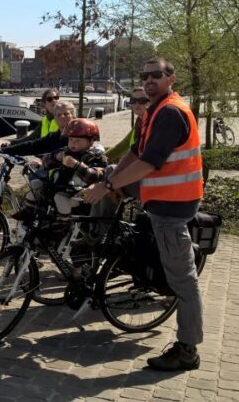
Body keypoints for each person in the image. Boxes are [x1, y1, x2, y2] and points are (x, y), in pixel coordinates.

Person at [86, 58, 203, 371]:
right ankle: (101, 238)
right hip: (159, 196)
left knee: (184, 280)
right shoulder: (153, 111)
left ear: (170, 78)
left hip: (172, 205)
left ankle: (187, 350)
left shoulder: (170, 113)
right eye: (144, 75)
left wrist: (109, 184)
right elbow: (135, 152)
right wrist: (109, 179)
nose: (149, 80)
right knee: (109, 173)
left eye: (156, 75)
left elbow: (149, 163)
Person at [105, 88, 149, 163]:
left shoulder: (150, 122)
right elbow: (123, 145)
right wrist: (103, 157)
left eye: (142, 101)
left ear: (151, 102)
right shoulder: (139, 122)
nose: (137, 104)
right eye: (133, 101)